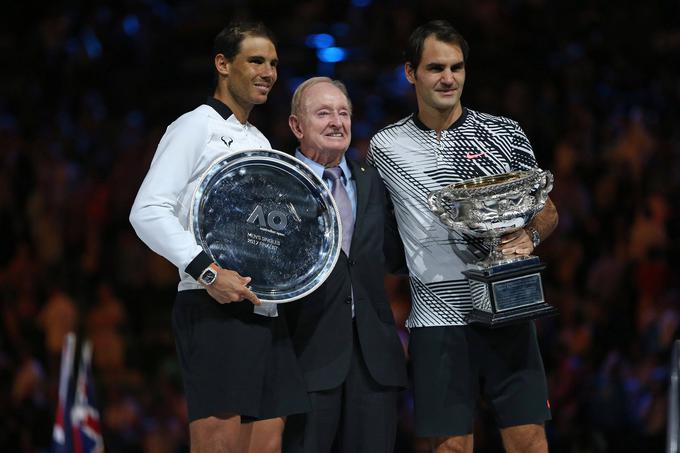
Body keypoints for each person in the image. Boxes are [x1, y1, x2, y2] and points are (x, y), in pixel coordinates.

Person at [368, 20, 558, 453]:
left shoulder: (504, 132)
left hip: (508, 305)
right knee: (451, 446)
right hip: (437, 318)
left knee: (529, 439)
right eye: (436, 67)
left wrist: (529, 234)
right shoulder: (386, 146)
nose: (448, 78)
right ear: (411, 73)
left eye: (457, 67)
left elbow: (547, 209)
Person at [129, 22, 308, 453]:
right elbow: (147, 211)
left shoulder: (261, 141)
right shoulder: (195, 127)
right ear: (223, 64)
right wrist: (209, 273)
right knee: (218, 444)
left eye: (273, 64)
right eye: (256, 61)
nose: (268, 71)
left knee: (267, 442)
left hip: (262, 309)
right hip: (211, 305)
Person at [274, 77, 408, 453]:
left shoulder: (375, 183)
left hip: (374, 364)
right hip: (305, 358)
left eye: (343, 113)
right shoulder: (277, 184)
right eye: (323, 113)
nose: (337, 122)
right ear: (296, 126)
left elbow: (397, 256)